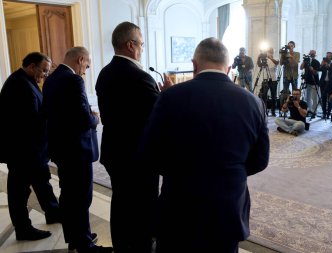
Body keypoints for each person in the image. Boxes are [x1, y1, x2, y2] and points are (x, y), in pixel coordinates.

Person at [137, 37, 269, 253]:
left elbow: (149, 153)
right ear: (228, 69)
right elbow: (260, 159)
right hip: (228, 207)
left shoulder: (170, 96)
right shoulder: (254, 102)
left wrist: (179, 173)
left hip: (179, 205)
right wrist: (231, 172)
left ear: (194, 65)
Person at [95, 21, 172, 253]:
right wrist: (166, 95)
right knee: (143, 204)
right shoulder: (138, 76)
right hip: (137, 155)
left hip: (114, 151)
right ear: (130, 45)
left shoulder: (105, 73)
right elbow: (157, 116)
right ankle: (141, 245)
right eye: (141, 44)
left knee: (120, 201)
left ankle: (121, 244)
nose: (142, 48)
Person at [42, 47, 112, 253]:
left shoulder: (51, 79)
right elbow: (83, 118)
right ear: (81, 59)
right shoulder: (73, 80)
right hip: (76, 150)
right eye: (87, 65)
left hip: (61, 149)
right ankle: (84, 245)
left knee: (69, 195)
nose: (86, 70)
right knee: (81, 198)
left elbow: (53, 112)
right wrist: (96, 118)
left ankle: (75, 237)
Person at [0, 52, 60, 240]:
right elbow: (29, 120)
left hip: (33, 149)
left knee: (42, 182)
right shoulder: (18, 85)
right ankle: (23, 229)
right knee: (19, 191)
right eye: (43, 70)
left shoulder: (25, 80)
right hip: (23, 150)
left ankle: (53, 212)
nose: (45, 75)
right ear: (32, 66)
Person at [257, 47, 279, 116]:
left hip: (273, 80)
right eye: (269, 51)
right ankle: (264, 110)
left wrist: (270, 58)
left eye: (271, 51)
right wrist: (258, 58)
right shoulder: (265, 59)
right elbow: (259, 65)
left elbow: (276, 63)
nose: (270, 52)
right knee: (264, 95)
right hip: (265, 79)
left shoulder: (276, 59)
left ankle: (273, 111)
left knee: (273, 96)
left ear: (273, 52)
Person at [300, 50, 320, 118]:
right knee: (307, 97)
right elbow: (301, 68)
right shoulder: (306, 61)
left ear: (315, 54)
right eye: (310, 54)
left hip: (315, 82)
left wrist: (312, 69)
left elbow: (316, 73)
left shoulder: (317, 62)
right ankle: (309, 110)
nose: (311, 55)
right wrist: (304, 61)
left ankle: (314, 111)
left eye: (313, 54)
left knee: (314, 97)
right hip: (307, 81)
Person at [319, 52, 332, 119]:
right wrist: (322, 64)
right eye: (327, 56)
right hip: (323, 83)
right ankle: (324, 113)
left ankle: (329, 113)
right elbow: (319, 69)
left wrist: (329, 66)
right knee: (323, 98)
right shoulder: (324, 63)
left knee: (330, 99)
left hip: (331, 84)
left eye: (329, 56)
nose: (328, 57)